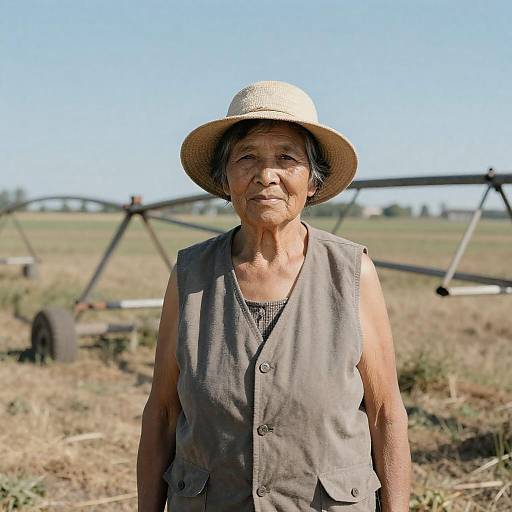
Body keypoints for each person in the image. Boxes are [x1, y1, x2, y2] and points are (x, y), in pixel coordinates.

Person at [137, 80, 411, 512]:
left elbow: (384, 413)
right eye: (247, 158)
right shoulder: (190, 276)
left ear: (313, 182)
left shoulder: (352, 272)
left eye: (287, 158)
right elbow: (163, 412)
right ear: (226, 180)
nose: (266, 175)